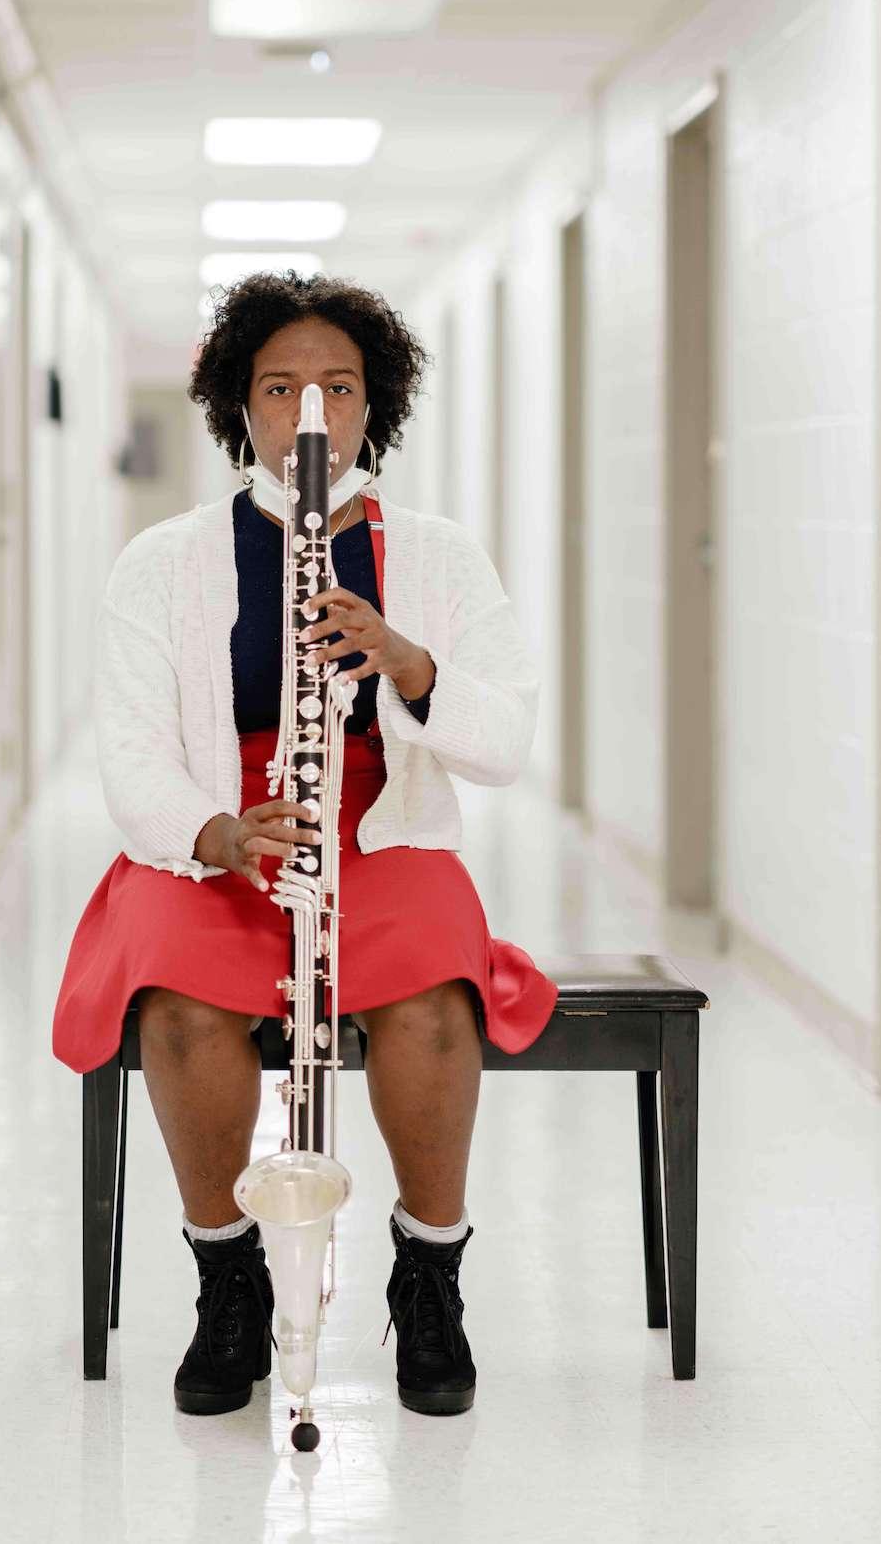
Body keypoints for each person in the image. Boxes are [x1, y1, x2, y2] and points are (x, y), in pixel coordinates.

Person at [52, 270, 557, 1419]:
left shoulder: (436, 551)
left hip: (381, 828)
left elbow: (504, 741)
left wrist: (405, 659)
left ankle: (429, 1274)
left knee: (433, 998)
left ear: (373, 405)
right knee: (180, 1001)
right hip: (216, 833)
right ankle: (227, 1273)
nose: (309, 408)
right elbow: (130, 752)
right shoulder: (162, 559)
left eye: (337, 384)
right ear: (242, 406)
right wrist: (216, 831)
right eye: (279, 387)